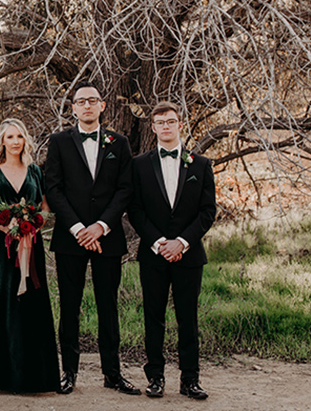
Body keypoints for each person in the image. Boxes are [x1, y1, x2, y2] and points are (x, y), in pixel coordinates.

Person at [44, 81, 139, 395]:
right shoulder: (58, 142)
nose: (87, 106)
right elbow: (53, 189)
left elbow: (125, 189)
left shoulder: (119, 143)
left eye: (92, 100)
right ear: (73, 108)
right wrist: (78, 229)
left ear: (102, 106)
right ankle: (68, 373)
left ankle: (112, 374)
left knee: (107, 307)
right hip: (70, 237)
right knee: (69, 306)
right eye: (80, 101)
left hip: (107, 237)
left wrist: (100, 226)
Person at [127, 101, 216, 400]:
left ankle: (190, 380)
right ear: (153, 127)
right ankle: (155, 378)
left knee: (188, 319)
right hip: (153, 254)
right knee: (153, 317)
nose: (166, 126)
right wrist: (159, 243)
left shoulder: (201, 165)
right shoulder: (138, 165)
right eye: (160, 122)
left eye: (171, 121)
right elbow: (135, 210)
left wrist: (183, 242)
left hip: (189, 255)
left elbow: (207, 212)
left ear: (180, 124)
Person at [0, 118, 59, 393]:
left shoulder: (35, 172)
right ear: (2, 141)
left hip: (31, 246)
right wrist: (6, 226)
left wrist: (36, 222)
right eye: (10, 137)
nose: (15, 141)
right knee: (1, 300)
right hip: (2, 247)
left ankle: (34, 378)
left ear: (25, 141)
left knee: (31, 303)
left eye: (19, 137)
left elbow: (45, 207)